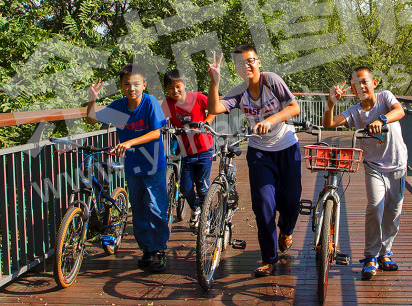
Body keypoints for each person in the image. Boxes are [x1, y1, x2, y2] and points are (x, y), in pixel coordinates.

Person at [207, 44, 302, 278]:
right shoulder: (239, 92)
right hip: (259, 151)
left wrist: (270, 120)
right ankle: (269, 258)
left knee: (291, 201)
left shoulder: (272, 81)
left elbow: (294, 107)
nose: (246, 66)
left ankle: (287, 229)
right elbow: (214, 107)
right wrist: (214, 81)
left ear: (258, 62)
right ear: (237, 69)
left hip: (287, 146)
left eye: (250, 61)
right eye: (240, 63)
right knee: (263, 206)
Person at [322, 67, 407, 281]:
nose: (361, 87)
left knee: (393, 212)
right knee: (375, 209)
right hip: (374, 167)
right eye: (355, 84)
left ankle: (385, 253)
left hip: (398, 165)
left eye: (364, 82)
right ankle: (370, 256)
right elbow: (329, 124)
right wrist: (331, 103)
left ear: (374, 83)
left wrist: (382, 120)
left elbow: (400, 111)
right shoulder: (354, 111)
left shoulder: (385, 98)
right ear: (351, 89)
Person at [86, 64, 170, 273]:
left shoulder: (150, 103)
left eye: (136, 84)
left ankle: (159, 249)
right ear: (121, 86)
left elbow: (155, 134)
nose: (131, 88)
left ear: (144, 85)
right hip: (133, 167)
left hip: (152, 165)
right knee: (139, 210)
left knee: (156, 208)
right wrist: (92, 99)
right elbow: (90, 119)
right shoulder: (119, 107)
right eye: (127, 85)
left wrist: (130, 143)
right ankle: (147, 251)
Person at [161, 69, 216, 230]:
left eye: (178, 86)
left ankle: (208, 218)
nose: (175, 91)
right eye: (170, 88)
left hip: (204, 148)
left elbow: (213, 108)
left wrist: (206, 123)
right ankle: (196, 209)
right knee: (185, 188)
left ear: (184, 85)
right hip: (185, 151)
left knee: (202, 186)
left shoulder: (197, 97)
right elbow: (158, 118)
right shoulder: (167, 103)